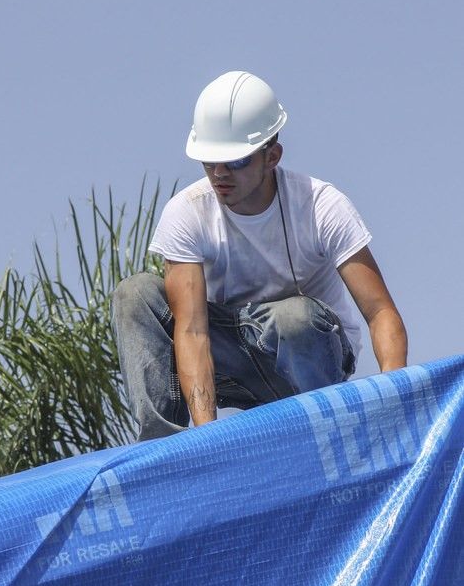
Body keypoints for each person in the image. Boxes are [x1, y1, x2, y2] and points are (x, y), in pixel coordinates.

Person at [112, 70, 408, 441]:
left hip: (310, 360)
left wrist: (393, 406)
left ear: (272, 157)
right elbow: (192, 330)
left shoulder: (321, 206)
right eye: (209, 162)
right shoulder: (187, 212)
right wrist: (209, 439)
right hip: (232, 366)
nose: (219, 174)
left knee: (294, 317)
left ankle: (324, 432)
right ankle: (165, 451)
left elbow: (381, 313)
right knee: (135, 294)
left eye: (235, 162)